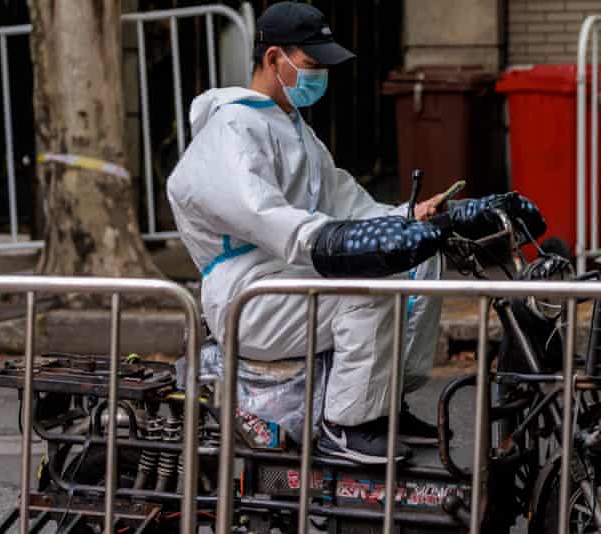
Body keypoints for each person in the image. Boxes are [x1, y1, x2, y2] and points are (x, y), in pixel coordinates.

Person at [167, 1, 545, 464]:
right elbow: (262, 215)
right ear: (272, 60)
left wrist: (416, 217)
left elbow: (351, 206)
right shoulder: (230, 128)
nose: (321, 75)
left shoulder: (296, 131)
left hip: (294, 276)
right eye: (312, 64)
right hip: (250, 294)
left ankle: (385, 406)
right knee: (367, 288)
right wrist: (330, 241)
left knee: (422, 259)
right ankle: (346, 425)